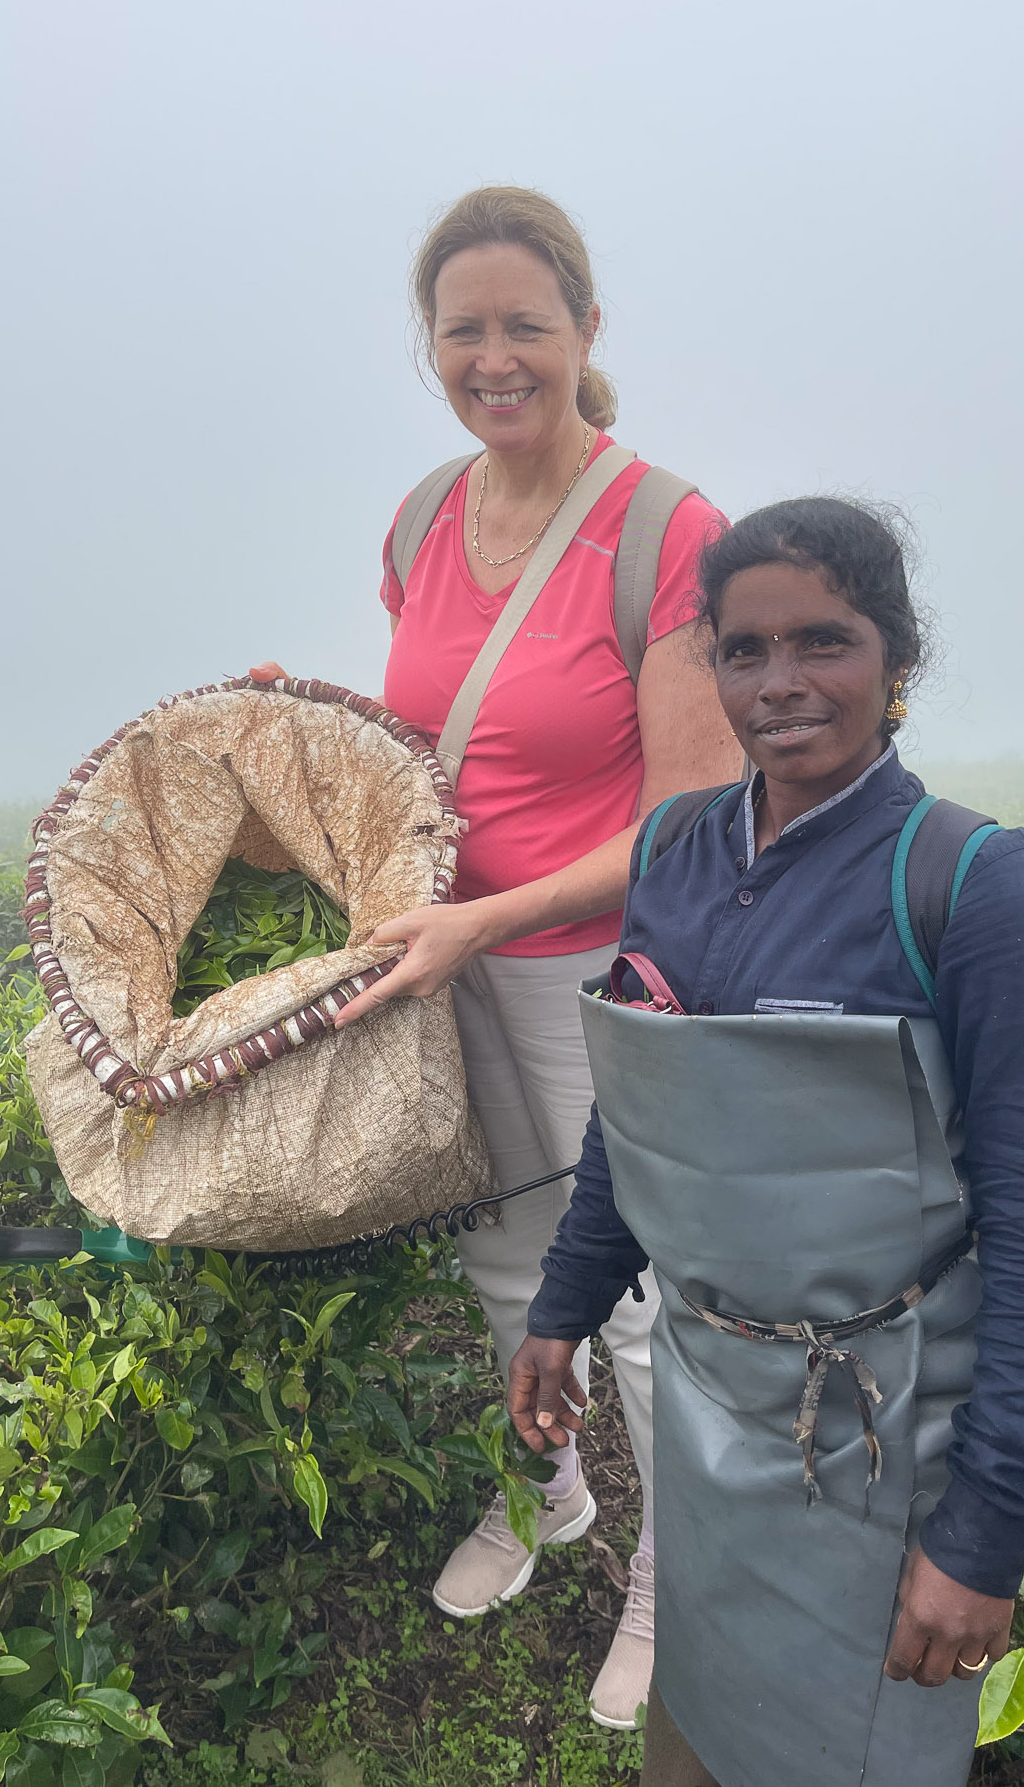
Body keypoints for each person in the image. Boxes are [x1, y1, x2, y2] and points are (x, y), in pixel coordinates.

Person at [506, 497, 1024, 1786]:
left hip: (884, 1443)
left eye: (822, 641)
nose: (779, 683)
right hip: (708, 1405)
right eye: (744, 650)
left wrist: (985, 1528)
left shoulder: (981, 885)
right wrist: (565, 1303)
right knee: (698, 1724)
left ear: (898, 657)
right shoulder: (675, 850)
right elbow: (639, 1105)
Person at [251, 186, 740, 1728]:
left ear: (586, 329)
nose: (494, 357)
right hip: (444, 956)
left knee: (635, 1294)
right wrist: (311, 720)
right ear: (433, 343)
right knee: (502, 1263)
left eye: (526, 323)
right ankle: (547, 1497)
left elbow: (689, 818)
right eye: (462, 329)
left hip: (596, 972)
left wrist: (490, 919)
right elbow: (443, 744)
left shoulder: (665, 531)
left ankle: (673, 1579)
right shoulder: (422, 518)